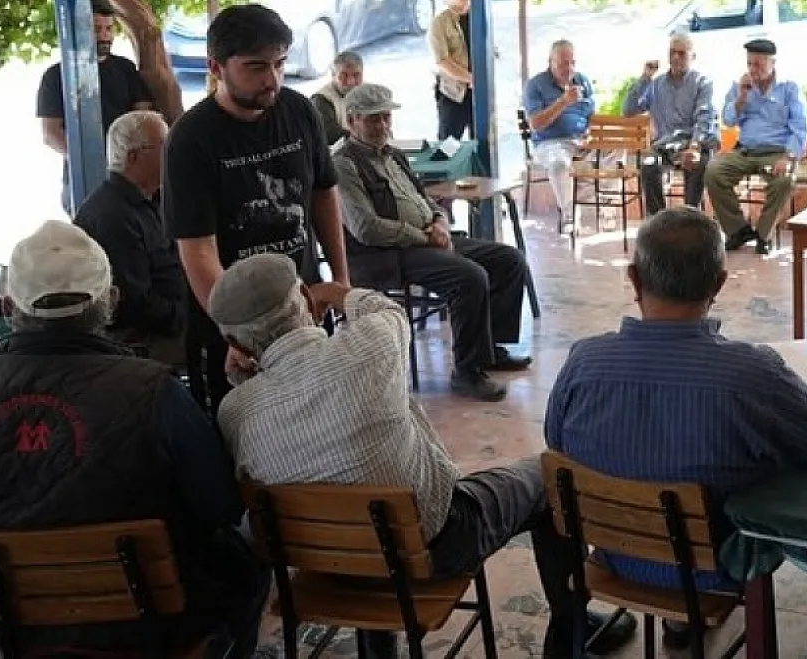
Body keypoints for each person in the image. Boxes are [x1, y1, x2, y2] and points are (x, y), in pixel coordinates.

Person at [210, 254, 633, 658]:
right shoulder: (369, 344)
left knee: (355, 503)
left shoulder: (234, 411)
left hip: (327, 569)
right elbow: (385, 308)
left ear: (233, 341)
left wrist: (242, 372)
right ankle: (573, 633)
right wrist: (337, 293)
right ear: (304, 298)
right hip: (433, 546)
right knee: (545, 478)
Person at [0, 221, 265, 655]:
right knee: (248, 561)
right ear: (111, 301)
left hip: (21, 627)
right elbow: (221, 506)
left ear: (6, 307)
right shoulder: (155, 390)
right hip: (154, 625)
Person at [546, 207, 807, 648]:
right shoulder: (748, 372)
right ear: (718, 284)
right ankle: (682, 620)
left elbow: (556, 446)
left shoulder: (583, 360)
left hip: (614, 550)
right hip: (713, 566)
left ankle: (677, 620)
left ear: (634, 279)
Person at [163, 3, 350, 408]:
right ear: (216, 67)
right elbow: (197, 250)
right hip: (229, 329)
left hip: (302, 310)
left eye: (280, 63)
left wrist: (340, 278)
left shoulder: (300, 111)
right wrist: (235, 333)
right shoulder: (190, 139)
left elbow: (323, 193)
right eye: (256, 67)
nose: (273, 79)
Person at [333, 83, 532, 402]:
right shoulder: (343, 164)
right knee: (469, 276)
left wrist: (438, 221)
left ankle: (490, 348)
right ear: (351, 120)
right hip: (388, 254)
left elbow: (427, 200)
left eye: (386, 117)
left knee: (508, 259)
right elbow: (366, 228)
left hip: (427, 238)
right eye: (373, 120)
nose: (383, 125)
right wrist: (425, 235)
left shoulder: (394, 155)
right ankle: (466, 372)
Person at [73, 110, 187, 370]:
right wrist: (189, 317)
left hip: (165, 319)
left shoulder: (148, 200)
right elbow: (134, 303)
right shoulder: (112, 216)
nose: (171, 154)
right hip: (140, 337)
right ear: (134, 156)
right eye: (164, 146)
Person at [36, 0, 157, 210]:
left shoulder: (125, 69)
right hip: (80, 180)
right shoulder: (55, 76)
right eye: (96, 29)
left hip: (128, 178)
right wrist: (90, 160)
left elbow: (142, 118)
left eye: (108, 29)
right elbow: (51, 134)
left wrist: (123, 163)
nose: (104, 36)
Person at [706, 39, 807, 256]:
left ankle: (764, 235)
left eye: (759, 65)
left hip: (776, 152)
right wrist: (742, 97)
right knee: (714, 172)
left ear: (773, 63)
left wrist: (788, 157)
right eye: (750, 64)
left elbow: (800, 127)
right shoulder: (740, 86)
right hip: (745, 150)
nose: (753, 70)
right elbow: (728, 120)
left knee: (785, 180)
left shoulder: (789, 88)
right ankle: (737, 230)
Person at [624, 33, 717, 216]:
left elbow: (704, 116)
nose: (675, 57)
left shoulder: (702, 83)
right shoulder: (656, 84)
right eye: (672, 52)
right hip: (664, 147)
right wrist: (645, 78)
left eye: (681, 53)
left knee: (696, 164)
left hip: (693, 144)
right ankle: (658, 222)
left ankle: (691, 220)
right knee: (649, 164)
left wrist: (694, 147)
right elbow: (629, 110)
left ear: (693, 57)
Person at [523, 39, 597, 228]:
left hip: (581, 141)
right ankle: (569, 214)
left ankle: (595, 202)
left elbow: (592, 116)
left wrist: (591, 135)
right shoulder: (536, 85)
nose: (569, 68)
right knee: (558, 165)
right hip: (551, 142)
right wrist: (563, 102)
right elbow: (535, 124)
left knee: (618, 151)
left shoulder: (582, 81)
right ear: (550, 62)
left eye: (572, 63)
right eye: (564, 63)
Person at [431, 0, 477, 141]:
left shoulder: (479, 17)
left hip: (478, 94)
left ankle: (478, 169)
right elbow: (442, 61)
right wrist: (470, 78)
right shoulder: (440, 23)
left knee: (481, 143)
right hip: (453, 93)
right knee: (449, 145)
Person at [311, 50, 363, 146]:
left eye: (356, 75)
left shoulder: (368, 92)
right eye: (344, 76)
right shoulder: (322, 99)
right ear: (333, 75)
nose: (351, 82)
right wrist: (365, 137)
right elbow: (329, 134)